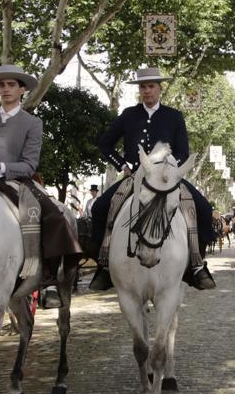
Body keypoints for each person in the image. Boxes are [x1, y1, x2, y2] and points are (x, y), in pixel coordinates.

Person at [88, 66, 216, 291]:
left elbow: (183, 152)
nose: (147, 91)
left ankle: (196, 264)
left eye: (151, 86)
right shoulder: (128, 115)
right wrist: (123, 165)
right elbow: (105, 144)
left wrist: (171, 169)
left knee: (203, 208)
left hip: (167, 177)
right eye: (143, 87)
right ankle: (105, 264)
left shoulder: (174, 116)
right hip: (137, 176)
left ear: (159, 89)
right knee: (100, 208)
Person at [0, 64, 80, 307]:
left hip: (15, 179)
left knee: (52, 215)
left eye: (11, 85)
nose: (5, 89)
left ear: (22, 90)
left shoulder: (32, 123)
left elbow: (29, 165)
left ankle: (50, 278)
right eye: (2, 85)